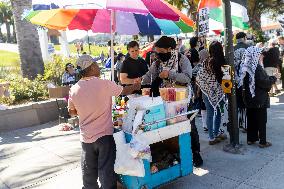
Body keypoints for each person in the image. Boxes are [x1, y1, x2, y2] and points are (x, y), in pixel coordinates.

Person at [68, 55, 141, 189]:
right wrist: (135, 86)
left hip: (85, 138)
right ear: (90, 68)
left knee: (88, 172)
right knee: (106, 170)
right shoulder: (104, 84)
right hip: (104, 136)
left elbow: (72, 112)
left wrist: (85, 111)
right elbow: (124, 91)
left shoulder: (74, 89)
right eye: (95, 64)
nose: (98, 66)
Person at [142, 36, 203, 167]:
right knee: (170, 129)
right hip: (165, 102)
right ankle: (177, 154)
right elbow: (148, 77)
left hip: (183, 101)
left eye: (161, 52)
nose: (158, 55)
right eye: (157, 52)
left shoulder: (182, 59)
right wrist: (140, 81)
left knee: (189, 126)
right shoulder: (157, 63)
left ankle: (196, 153)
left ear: (170, 49)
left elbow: (187, 77)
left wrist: (169, 74)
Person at [238, 46, 277, 148]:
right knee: (261, 120)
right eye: (260, 54)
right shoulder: (257, 68)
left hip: (249, 97)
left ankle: (251, 139)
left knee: (251, 119)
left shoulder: (245, 65)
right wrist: (274, 78)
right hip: (259, 98)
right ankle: (262, 142)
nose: (262, 56)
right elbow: (263, 82)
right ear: (255, 55)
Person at [196, 41, 226, 145]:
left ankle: (211, 137)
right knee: (218, 112)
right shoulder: (223, 61)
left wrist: (201, 88)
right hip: (219, 91)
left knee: (210, 114)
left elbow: (199, 76)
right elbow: (226, 78)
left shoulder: (205, 61)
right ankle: (216, 133)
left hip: (206, 91)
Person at [234, 32, 250, 132]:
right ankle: (245, 124)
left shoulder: (232, 49)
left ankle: (239, 123)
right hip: (246, 79)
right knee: (246, 102)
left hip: (235, 79)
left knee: (239, 101)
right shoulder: (248, 47)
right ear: (244, 38)